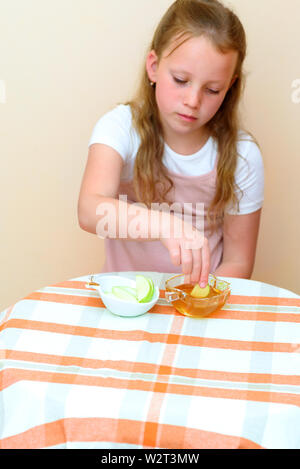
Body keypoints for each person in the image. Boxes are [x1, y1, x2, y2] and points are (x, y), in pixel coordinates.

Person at [77, 0, 264, 286]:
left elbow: (238, 262)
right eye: (180, 80)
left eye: (213, 90)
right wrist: (164, 224)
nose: (193, 101)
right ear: (153, 66)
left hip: (199, 304)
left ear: (229, 87)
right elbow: (90, 211)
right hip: (126, 300)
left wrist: (199, 298)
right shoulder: (120, 128)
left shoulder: (243, 155)